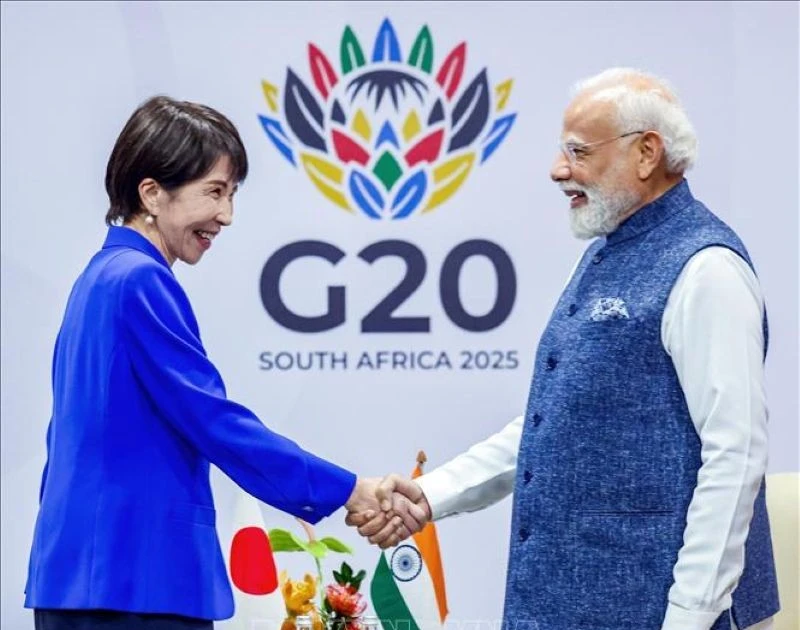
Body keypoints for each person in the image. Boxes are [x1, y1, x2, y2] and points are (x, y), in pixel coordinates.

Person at [351, 68, 780, 630]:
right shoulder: (606, 254)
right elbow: (557, 424)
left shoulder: (707, 269)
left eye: (578, 151)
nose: (558, 170)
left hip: (659, 612)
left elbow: (736, 455)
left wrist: (691, 616)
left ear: (647, 153)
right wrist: (429, 496)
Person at [24, 96, 422, 630]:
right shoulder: (140, 280)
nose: (226, 215)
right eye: (214, 191)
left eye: (231, 193)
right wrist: (351, 488)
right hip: (137, 584)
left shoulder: (97, 278)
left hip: (82, 579)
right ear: (151, 193)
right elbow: (214, 421)